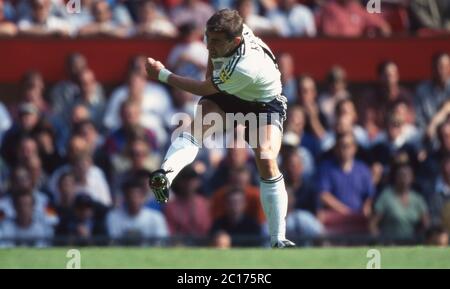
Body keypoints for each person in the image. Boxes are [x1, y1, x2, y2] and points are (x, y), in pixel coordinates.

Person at [145, 9, 294, 248]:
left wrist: (162, 75)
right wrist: (208, 89)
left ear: (235, 41)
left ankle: (278, 238)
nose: (209, 45)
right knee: (197, 128)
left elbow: (204, 89)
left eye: (215, 42)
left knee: (266, 157)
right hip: (228, 93)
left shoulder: (246, 64)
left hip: (263, 103)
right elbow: (211, 71)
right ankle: (165, 174)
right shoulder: (217, 36)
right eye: (208, 39)